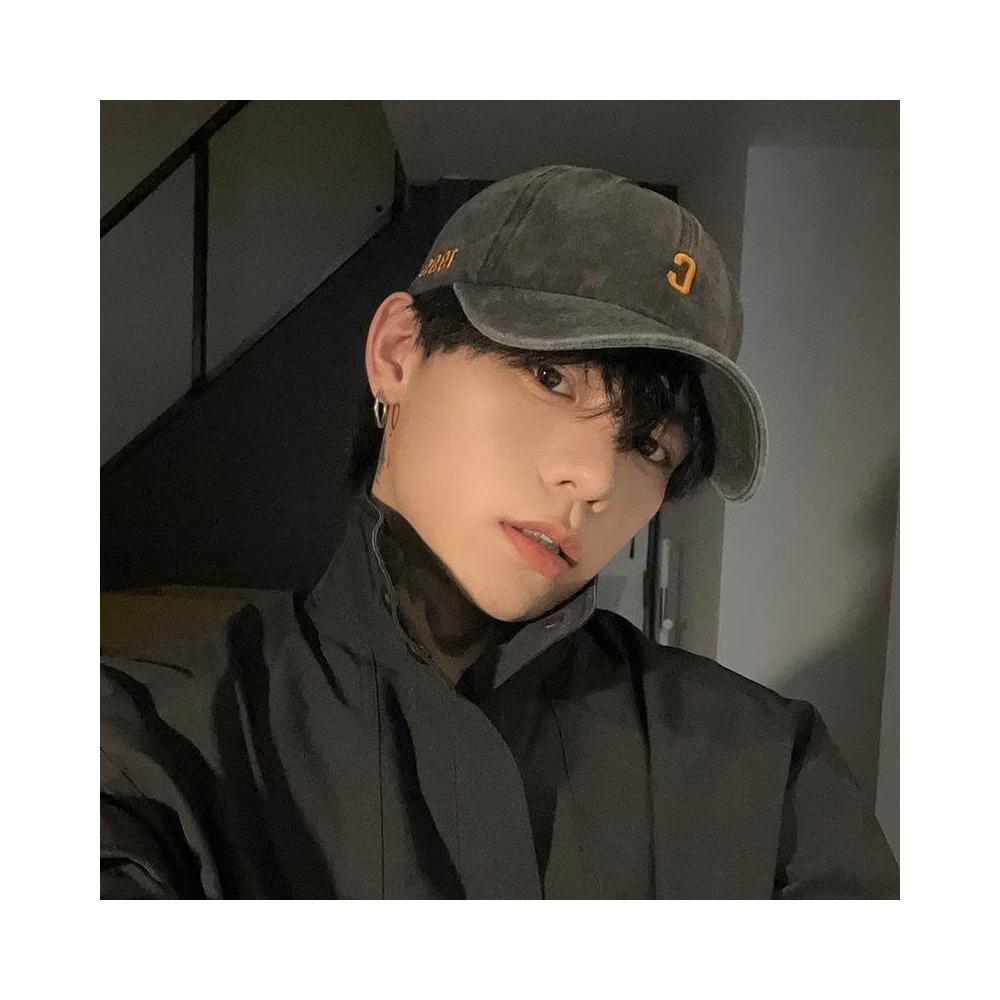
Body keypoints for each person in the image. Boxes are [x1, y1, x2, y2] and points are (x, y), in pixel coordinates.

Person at [100, 164, 900, 899]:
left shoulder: (770, 772)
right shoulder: (149, 748)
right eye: (551, 378)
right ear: (398, 353)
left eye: (651, 446)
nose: (596, 478)